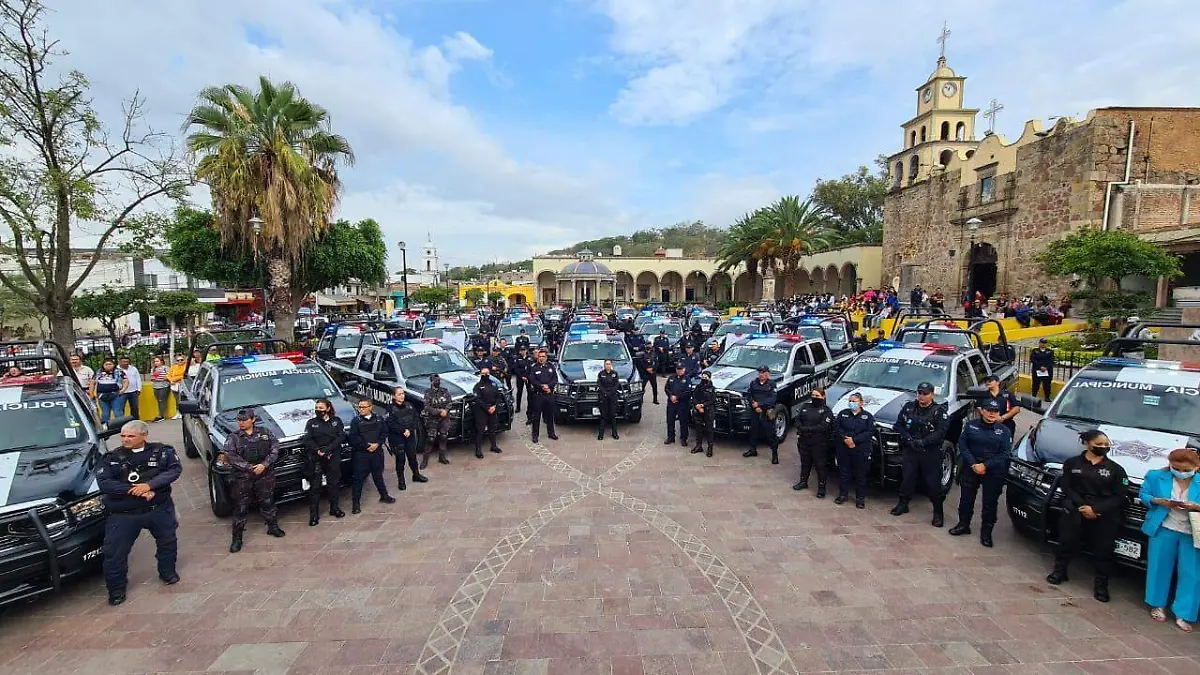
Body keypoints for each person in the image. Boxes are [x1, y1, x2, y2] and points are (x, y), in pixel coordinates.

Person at [96, 420, 181, 606]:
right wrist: (134, 490)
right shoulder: (112, 457)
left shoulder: (162, 452)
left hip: (157, 509)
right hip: (124, 514)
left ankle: (168, 572)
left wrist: (150, 486)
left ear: (144, 436)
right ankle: (117, 590)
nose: (125, 439)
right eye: (123, 436)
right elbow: (105, 482)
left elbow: (173, 470)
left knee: (168, 541)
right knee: (114, 554)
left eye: (131, 436)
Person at [1045, 430, 1128, 602]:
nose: (1104, 447)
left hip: (1103, 514)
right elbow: (1067, 487)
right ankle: (1060, 571)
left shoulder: (1116, 469)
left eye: (1106, 444)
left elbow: (1119, 496)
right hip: (1075, 509)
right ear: (1087, 443)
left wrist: (1096, 509)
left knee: (1103, 551)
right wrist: (1082, 505)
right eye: (1099, 444)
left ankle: (1101, 586)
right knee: (1066, 542)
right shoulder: (1072, 463)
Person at [1139, 448, 1200, 632]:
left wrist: (1196, 506)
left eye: (1186, 469)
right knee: (1159, 567)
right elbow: (1144, 494)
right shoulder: (1156, 476)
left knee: (1191, 573)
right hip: (1164, 527)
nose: (1181, 473)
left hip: (1192, 533)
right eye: (1176, 468)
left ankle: (1184, 613)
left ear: (1196, 467)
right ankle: (1157, 604)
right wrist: (1158, 501)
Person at [949, 399, 1012, 547]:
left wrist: (985, 465)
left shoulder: (1004, 431)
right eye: (989, 410)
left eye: (995, 411)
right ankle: (963, 525)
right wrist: (973, 464)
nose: (992, 414)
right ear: (982, 411)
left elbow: (1005, 453)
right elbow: (963, 445)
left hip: (993, 471)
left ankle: (986, 533)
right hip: (971, 468)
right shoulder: (971, 426)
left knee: (990, 503)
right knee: (966, 500)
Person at [221, 408, 285, 552]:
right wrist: (249, 467)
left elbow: (275, 448)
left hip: (264, 475)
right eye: (239, 420)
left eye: (244, 420)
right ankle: (237, 539)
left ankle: (272, 527)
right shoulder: (234, 437)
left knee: (268, 502)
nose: (241, 423)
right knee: (241, 508)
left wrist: (265, 464)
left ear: (253, 419)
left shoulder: (264, 432)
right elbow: (230, 455)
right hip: (243, 478)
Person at [890, 382, 950, 526]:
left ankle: (938, 512)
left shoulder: (939, 411)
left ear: (932, 395)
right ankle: (903, 504)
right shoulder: (909, 407)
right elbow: (898, 425)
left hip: (929, 452)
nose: (921, 396)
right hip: (911, 450)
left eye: (925, 393)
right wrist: (909, 439)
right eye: (920, 393)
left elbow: (940, 433)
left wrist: (923, 442)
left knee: (932, 483)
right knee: (907, 478)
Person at [303, 398, 347, 526]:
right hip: (317, 458)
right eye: (317, 408)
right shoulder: (311, 423)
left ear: (328, 408)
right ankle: (314, 516)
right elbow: (308, 440)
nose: (318, 410)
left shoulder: (336, 421)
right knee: (315, 488)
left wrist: (329, 449)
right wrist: (318, 451)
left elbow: (341, 436)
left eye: (321, 408)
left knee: (334, 484)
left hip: (333, 456)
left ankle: (335, 508)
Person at [348, 398, 396, 513]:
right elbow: (353, 437)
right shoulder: (356, 421)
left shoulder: (379, 419)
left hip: (376, 452)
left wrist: (378, 444)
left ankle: (384, 495)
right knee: (358, 479)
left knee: (378, 475)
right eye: (360, 407)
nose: (361, 409)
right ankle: (356, 504)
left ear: (370, 407)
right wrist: (366, 445)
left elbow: (384, 433)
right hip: (361, 454)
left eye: (364, 407)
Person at [834, 392, 875, 508]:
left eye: (854, 401)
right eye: (850, 401)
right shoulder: (843, 414)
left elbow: (870, 432)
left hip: (860, 449)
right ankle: (843, 495)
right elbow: (837, 428)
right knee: (844, 473)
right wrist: (845, 439)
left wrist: (854, 440)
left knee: (860, 475)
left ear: (861, 403)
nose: (851, 403)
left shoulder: (867, 416)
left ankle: (860, 499)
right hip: (844, 448)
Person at [793, 387, 834, 496]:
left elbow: (824, 426)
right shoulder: (806, 406)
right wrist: (800, 427)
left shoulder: (826, 410)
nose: (815, 398)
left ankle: (821, 488)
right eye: (813, 395)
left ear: (823, 396)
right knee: (805, 463)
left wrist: (807, 429)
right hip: (804, 441)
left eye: (817, 396)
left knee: (820, 465)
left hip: (819, 443)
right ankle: (803, 481)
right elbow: (798, 419)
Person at [385, 387, 427, 489]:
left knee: (412, 457)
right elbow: (390, 424)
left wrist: (409, 429)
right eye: (399, 394)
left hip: (410, 435)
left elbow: (415, 418)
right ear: (394, 396)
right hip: (397, 437)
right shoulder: (390, 409)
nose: (402, 396)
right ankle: (401, 481)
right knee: (400, 459)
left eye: (403, 393)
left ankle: (416, 475)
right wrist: (403, 431)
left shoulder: (409, 406)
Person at [745, 366, 778, 463]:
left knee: (770, 434)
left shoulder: (772, 384)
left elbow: (772, 399)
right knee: (754, 431)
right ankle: (753, 450)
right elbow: (749, 395)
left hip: (767, 412)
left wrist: (760, 404)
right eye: (760, 372)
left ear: (768, 374)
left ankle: (775, 454)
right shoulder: (753, 383)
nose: (761, 374)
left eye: (763, 372)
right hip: (755, 411)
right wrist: (755, 406)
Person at [421, 374, 453, 467]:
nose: (438, 382)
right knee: (431, 439)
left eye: (439, 380)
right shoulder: (428, 393)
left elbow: (450, 402)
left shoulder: (444, 391)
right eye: (436, 381)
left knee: (443, 436)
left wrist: (446, 411)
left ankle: (442, 456)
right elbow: (427, 407)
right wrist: (439, 411)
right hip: (433, 418)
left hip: (444, 418)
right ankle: (425, 460)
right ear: (431, 382)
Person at [527, 348, 558, 443]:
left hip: (549, 394)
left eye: (543, 357)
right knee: (536, 417)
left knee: (550, 415)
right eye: (540, 356)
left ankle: (551, 433)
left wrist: (549, 386)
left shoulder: (551, 366)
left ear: (546, 357)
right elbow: (532, 380)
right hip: (538, 395)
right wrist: (541, 386)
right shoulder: (534, 367)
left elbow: (555, 378)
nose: (541, 358)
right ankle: (535, 435)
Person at [472, 365, 503, 458]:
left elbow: (498, 396)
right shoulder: (477, 386)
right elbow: (478, 399)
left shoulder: (494, 384)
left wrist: (494, 406)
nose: (485, 375)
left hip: (493, 409)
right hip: (481, 410)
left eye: (487, 373)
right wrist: (487, 408)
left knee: (492, 429)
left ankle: (493, 446)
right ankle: (478, 450)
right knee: (480, 431)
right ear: (481, 375)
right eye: (483, 374)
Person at [91, 358, 127, 426]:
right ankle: (105, 427)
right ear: (103, 365)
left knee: (118, 412)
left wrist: (123, 390)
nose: (108, 366)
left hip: (116, 394)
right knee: (105, 413)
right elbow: (92, 383)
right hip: (102, 395)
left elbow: (126, 380)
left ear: (114, 365)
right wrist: (92, 394)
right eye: (106, 364)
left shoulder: (118, 371)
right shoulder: (98, 372)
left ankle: (120, 427)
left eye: (110, 364)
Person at [663, 363, 691, 446]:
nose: (679, 371)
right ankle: (671, 437)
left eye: (681, 369)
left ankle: (683, 438)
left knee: (683, 422)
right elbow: (666, 388)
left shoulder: (687, 379)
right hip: (671, 403)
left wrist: (677, 397)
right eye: (678, 369)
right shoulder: (671, 378)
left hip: (682, 404)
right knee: (670, 421)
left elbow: (688, 392)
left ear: (684, 369)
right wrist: (671, 396)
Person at [691, 370, 715, 456]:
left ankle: (710, 448)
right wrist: (697, 405)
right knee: (698, 428)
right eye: (703, 377)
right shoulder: (698, 387)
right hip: (698, 410)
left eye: (706, 377)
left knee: (709, 430)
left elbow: (712, 400)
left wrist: (703, 405)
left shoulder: (712, 388)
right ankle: (699, 446)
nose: (704, 379)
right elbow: (694, 397)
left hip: (708, 410)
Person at [596, 359, 621, 440]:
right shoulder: (601, 374)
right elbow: (599, 384)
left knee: (613, 416)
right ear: (604, 365)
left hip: (613, 396)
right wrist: (605, 393)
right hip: (604, 397)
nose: (608, 365)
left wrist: (610, 393)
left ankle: (615, 434)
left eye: (609, 364)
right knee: (603, 416)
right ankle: (601, 435)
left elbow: (616, 384)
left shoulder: (615, 374)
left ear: (611, 365)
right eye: (606, 364)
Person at [117, 356, 143, 421]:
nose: (125, 363)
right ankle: (121, 423)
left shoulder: (133, 368)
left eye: (127, 362)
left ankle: (135, 421)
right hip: (122, 392)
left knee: (135, 408)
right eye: (124, 362)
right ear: (120, 362)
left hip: (133, 391)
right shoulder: (116, 370)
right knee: (121, 408)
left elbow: (138, 378)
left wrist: (139, 389)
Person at [148, 356, 171, 421]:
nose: (156, 363)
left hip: (164, 386)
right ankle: (160, 414)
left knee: (162, 400)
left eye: (157, 361)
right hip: (155, 386)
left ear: (161, 361)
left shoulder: (165, 368)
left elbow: (169, 376)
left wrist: (161, 379)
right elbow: (152, 377)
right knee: (158, 400)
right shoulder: (153, 369)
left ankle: (161, 415)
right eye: (155, 361)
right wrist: (155, 379)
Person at [510, 345, 531, 415]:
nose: (523, 351)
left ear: (526, 350)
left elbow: (531, 368)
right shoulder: (517, 358)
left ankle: (530, 407)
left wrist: (527, 376)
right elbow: (516, 369)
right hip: (520, 378)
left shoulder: (530, 358)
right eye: (521, 350)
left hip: (528, 378)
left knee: (530, 392)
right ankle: (518, 407)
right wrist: (522, 376)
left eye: (524, 350)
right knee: (519, 392)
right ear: (519, 351)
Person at [166, 354, 187, 419]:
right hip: (174, 385)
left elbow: (184, 375)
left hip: (181, 384)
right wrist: (171, 380)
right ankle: (177, 412)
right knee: (176, 399)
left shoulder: (185, 366)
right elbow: (168, 375)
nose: (179, 361)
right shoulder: (174, 367)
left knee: (181, 399)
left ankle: (182, 412)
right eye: (178, 360)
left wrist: (176, 378)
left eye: (181, 360)